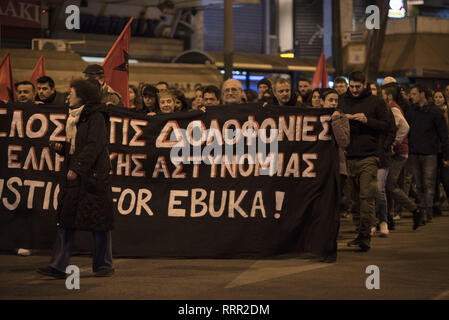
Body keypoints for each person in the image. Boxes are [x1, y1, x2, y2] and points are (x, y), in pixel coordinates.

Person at [37, 79, 114, 278]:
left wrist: (77, 168)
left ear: (83, 96)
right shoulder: (75, 117)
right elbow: (79, 146)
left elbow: (94, 145)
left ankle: (104, 265)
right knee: (66, 219)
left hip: (94, 178)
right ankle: (59, 265)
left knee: (99, 222)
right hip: (77, 177)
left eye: (71, 93)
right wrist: (62, 148)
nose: (68, 96)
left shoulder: (96, 116)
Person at [339, 71, 390, 252]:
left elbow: (387, 126)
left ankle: (366, 235)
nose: (354, 90)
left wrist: (367, 120)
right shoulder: (342, 100)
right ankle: (360, 232)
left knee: (366, 198)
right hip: (348, 156)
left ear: (364, 84)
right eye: (351, 86)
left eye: (357, 87)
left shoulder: (376, 102)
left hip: (369, 156)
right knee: (353, 201)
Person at [382, 84, 424, 231]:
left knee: (389, 186)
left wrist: (394, 142)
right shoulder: (392, 107)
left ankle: (415, 210)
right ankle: (388, 218)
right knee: (386, 187)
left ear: (389, 95)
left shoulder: (393, 108)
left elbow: (405, 126)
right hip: (397, 152)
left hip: (398, 153)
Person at [407, 84, 449, 224]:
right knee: (418, 184)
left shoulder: (435, 112)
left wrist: (445, 154)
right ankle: (422, 210)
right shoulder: (411, 111)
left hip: (430, 153)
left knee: (429, 184)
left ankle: (427, 211)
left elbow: (443, 134)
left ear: (422, 94)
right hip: (414, 152)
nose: (411, 96)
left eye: (413, 94)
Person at [432, 89, 449, 217]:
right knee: (434, 179)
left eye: (440, 97)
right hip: (434, 149)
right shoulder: (432, 112)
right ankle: (436, 206)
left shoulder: (446, 112)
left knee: (445, 178)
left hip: (445, 150)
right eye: (436, 97)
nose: (438, 99)